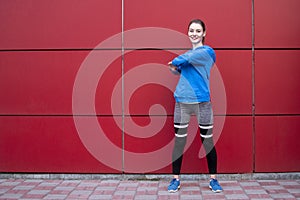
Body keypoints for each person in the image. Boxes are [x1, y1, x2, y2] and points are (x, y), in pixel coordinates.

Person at [167, 19, 223, 193]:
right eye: (191, 30)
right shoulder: (188, 57)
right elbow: (176, 70)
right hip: (182, 102)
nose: (194, 33)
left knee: (207, 142)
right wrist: (175, 66)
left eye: (198, 31)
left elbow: (180, 61)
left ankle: (213, 180)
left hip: (202, 103)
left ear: (204, 33)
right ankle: (175, 180)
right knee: (179, 142)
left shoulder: (207, 51)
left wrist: (175, 62)